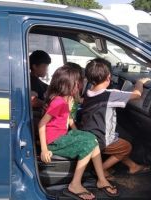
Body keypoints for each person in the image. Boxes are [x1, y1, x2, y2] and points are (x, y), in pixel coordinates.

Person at [38, 66, 119, 200]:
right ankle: (75, 184)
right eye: (78, 82)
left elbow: (68, 118)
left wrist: (77, 133)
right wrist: (44, 149)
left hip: (62, 136)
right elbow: (42, 123)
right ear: (68, 84)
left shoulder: (66, 99)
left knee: (91, 138)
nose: (80, 85)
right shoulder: (58, 102)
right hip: (54, 142)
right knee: (88, 142)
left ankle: (101, 179)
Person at [79, 59, 151, 180]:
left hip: (89, 133)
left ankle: (133, 166)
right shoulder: (111, 94)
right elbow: (137, 95)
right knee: (126, 147)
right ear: (109, 77)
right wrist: (139, 82)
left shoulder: (89, 92)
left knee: (120, 145)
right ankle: (100, 169)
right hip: (101, 139)